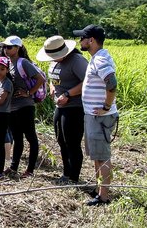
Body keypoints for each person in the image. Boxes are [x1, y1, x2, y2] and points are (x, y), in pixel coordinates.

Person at [74, 24, 118, 206]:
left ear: (91, 40)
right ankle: (100, 189)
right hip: (93, 116)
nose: (80, 41)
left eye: (82, 38)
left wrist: (106, 107)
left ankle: (104, 197)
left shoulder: (100, 60)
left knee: (102, 156)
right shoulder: (97, 57)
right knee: (97, 155)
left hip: (99, 117)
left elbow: (112, 83)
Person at [37, 35, 89, 185]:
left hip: (75, 107)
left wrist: (68, 94)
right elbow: (53, 79)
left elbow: (87, 81)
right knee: (61, 140)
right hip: (60, 106)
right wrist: (53, 88)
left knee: (72, 142)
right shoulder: (54, 61)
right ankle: (66, 173)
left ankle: (74, 177)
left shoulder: (77, 61)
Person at [2, 36, 46, 178]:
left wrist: (29, 93)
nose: (6, 49)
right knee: (17, 137)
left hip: (25, 106)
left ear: (18, 48)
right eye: (5, 47)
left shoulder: (23, 63)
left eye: (9, 47)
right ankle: (14, 167)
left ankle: (30, 170)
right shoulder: (9, 63)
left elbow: (40, 79)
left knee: (30, 137)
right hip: (12, 107)